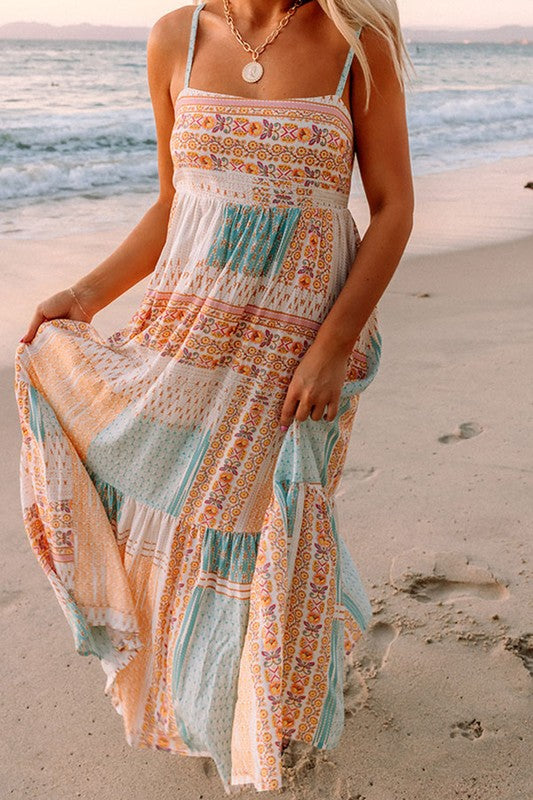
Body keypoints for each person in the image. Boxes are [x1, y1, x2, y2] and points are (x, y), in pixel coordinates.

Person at [14, 0, 413, 793]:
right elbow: (173, 201)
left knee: (267, 514)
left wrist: (333, 346)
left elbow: (393, 207)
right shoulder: (175, 36)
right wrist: (86, 294)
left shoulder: (356, 42)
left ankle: (262, 711)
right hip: (189, 323)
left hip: (298, 343)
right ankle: (208, 704)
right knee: (183, 515)